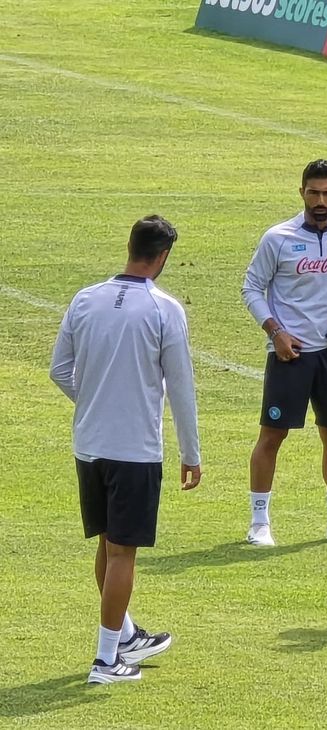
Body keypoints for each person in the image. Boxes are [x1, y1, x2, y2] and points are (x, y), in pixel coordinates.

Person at [50, 215, 202, 685]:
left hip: (89, 444)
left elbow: (60, 370)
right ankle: (104, 661)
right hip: (134, 449)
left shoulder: (85, 298)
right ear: (163, 257)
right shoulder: (163, 309)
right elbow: (180, 387)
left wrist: (94, 401)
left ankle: (126, 636)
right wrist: (191, 453)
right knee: (123, 554)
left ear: (130, 246)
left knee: (108, 544)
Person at [241, 159, 327, 548]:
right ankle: (259, 523)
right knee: (272, 435)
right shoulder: (277, 238)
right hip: (290, 355)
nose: (320, 200)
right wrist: (275, 331)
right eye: (313, 193)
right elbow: (251, 288)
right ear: (301, 192)